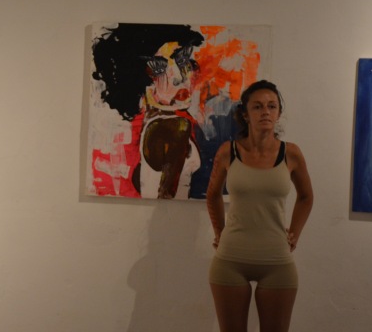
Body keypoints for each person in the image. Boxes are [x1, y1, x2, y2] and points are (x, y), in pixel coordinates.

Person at [206, 80, 313, 332]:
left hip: (277, 260)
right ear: (246, 114)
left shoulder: (291, 153)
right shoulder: (228, 151)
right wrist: (219, 233)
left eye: (271, 106)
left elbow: (306, 197)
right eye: (257, 106)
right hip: (230, 259)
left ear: (278, 113)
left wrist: (294, 233)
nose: (265, 112)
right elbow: (212, 195)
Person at [92, 23, 204, 199]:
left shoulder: (152, 124)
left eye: (182, 59)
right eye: (159, 68)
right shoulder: (176, 127)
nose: (178, 77)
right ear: (138, 80)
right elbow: (166, 199)